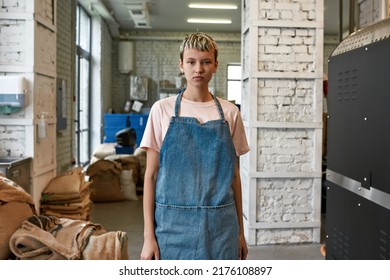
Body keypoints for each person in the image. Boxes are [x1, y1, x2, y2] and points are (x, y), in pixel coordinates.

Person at [139, 32, 249, 260]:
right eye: (191, 62)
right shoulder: (162, 110)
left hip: (221, 227)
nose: (198, 68)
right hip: (171, 227)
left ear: (215, 65)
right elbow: (150, 176)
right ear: (182, 65)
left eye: (206, 61)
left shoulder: (231, 113)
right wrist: (149, 236)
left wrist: (240, 233)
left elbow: (235, 176)